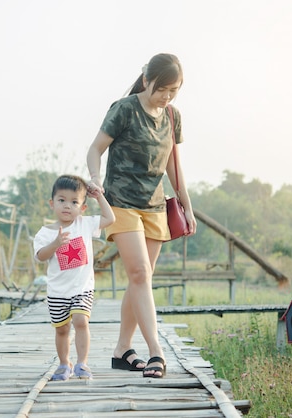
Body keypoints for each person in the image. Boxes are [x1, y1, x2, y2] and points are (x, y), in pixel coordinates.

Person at [86, 53, 197, 378]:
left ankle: (122, 349)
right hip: (120, 202)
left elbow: (173, 167)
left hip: (155, 206)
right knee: (139, 274)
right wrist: (95, 179)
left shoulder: (172, 116)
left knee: (140, 280)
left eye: (173, 91)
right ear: (146, 79)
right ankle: (157, 352)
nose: (166, 96)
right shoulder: (123, 109)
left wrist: (187, 206)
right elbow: (95, 149)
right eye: (162, 89)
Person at [33, 174, 115, 381]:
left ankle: (82, 363)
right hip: (57, 291)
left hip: (82, 288)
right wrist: (55, 244)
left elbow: (110, 218)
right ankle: (63, 363)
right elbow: (40, 256)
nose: (67, 206)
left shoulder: (84, 224)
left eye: (74, 202)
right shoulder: (45, 232)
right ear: (52, 203)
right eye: (61, 200)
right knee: (62, 329)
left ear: (82, 207)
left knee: (81, 322)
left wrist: (99, 197)